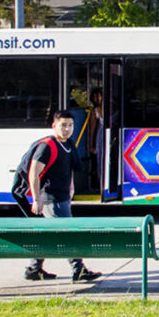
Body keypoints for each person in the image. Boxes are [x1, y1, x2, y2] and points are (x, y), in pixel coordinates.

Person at [23, 110, 102, 283]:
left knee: (49, 234)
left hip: (63, 196)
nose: (67, 129)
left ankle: (34, 269)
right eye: (63, 125)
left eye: (70, 125)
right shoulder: (47, 146)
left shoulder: (69, 144)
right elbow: (33, 173)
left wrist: (71, 188)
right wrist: (36, 199)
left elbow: (70, 169)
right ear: (54, 126)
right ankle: (78, 269)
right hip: (52, 198)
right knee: (67, 233)